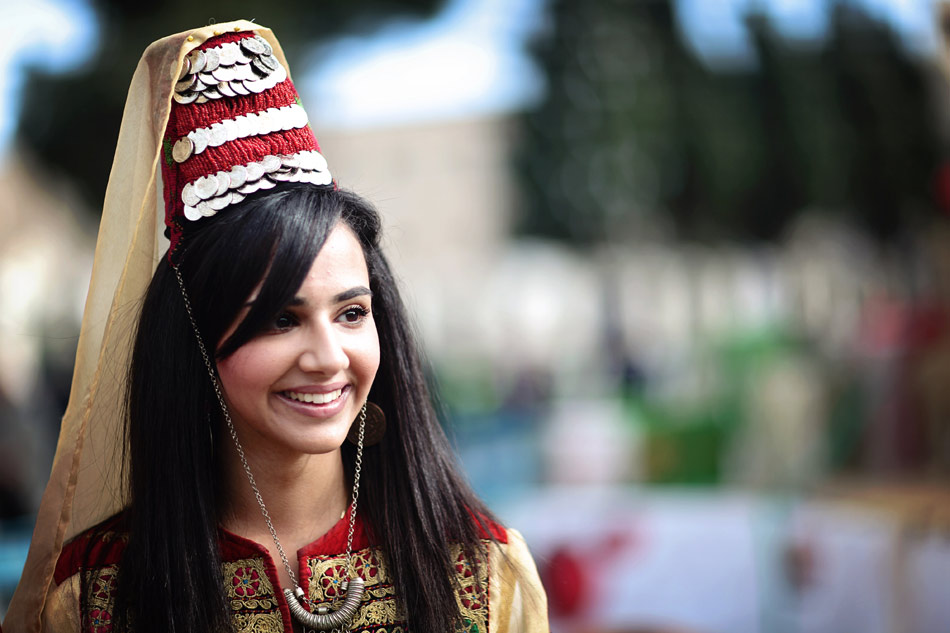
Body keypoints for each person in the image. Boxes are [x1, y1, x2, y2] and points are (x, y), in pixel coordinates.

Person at [3, 20, 547, 633]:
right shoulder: (92, 597)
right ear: (196, 341)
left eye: (351, 313)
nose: (327, 356)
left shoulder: (483, 572)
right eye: (280, 320)